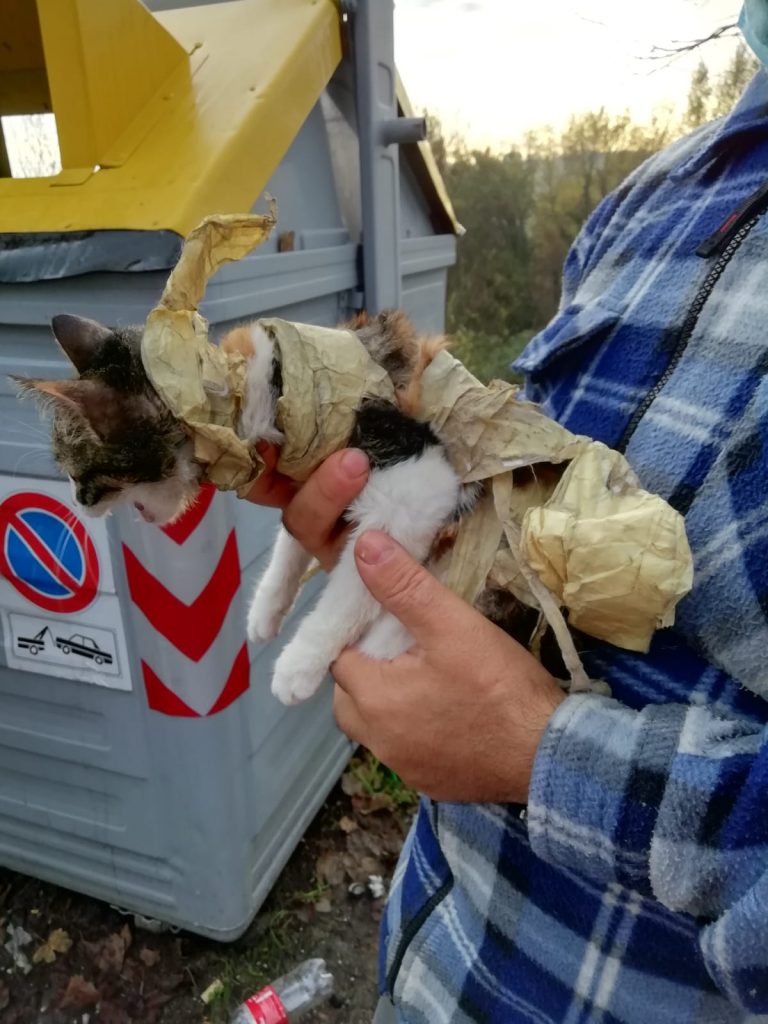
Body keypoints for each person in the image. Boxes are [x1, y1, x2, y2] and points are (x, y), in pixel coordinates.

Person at [248, 6, 768, 1020]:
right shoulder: (659, 193)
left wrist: (540, 753)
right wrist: (422, 536)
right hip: (432, 962)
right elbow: (511, 480)